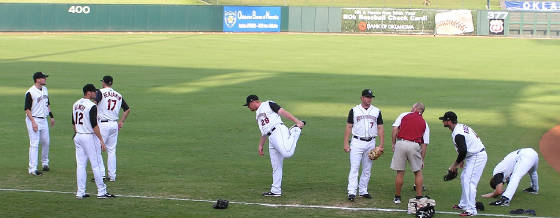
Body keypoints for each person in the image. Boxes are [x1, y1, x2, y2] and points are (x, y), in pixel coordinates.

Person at [244, 94, 305, 197]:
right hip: (271, 138)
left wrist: (297, 121)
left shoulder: (268, 104)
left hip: (278, 131)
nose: (249, 107)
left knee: (287, 153)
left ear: (253, 102)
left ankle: (295, 130)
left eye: (249, 105)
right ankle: (275, 190)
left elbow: (283, 112)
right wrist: (260, 145)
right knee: (276, 166)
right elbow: (264, 131)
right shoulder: (257, 114)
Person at [440, 111, 487, 217]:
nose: (442, 121)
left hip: (477, 156)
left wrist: (454, 165)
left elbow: (463, 150)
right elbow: (464, 147)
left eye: (444, 120)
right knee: (464, 178)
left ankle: (471, 210)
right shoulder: (459, 127)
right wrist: (461, 160)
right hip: (473, 155)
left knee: (469, 182)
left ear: (449, 121)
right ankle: (464, 204)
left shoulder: (458, 133)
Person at [72, 84, 116, 199]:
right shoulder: (91, 106)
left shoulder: (75, 104)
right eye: (93, 92)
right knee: (96, 165)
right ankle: (101, 192)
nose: (95, 94)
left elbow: (73, 123)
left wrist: (78, 133)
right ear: (88, 92)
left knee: (80, 165)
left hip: (78, 136)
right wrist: (101, 140)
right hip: (89, 137)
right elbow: (94, 125)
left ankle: (80, 192)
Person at [343, 89, 384, 202]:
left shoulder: (376, 111)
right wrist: (346, 143)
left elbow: (380, 127)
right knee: (354, 168)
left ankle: (363, 190)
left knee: (367, 169)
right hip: (356, 142)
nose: (369, 99)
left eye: (370, 97)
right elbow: (349, 126)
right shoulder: (354, 110)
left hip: (371, 142)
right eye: (367, 97)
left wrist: (381, 144)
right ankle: (351, 192)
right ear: (362, 98)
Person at [390, 102, 429, 204]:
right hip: (414, 145)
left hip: (401, 143)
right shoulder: (425, 123)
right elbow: (424, 144)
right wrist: (422, 160)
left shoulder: (404, 115)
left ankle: (397, 197)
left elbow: (395, 129)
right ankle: (419, 197)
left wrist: (393, 143)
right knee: (418, 172)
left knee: (400, 172)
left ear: (415, 108)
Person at [94, 76, 131, 182]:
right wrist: (122, 122)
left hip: (103, 124)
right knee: (111, 151)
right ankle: (112, 176)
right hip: (114, 124)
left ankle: (101, 175)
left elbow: (95, 104)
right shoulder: (118, 95)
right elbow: (127, 109)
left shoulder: (100, 92)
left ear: (103, 83)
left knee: (97, 150)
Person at [24, 72, 55, 176]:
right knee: (34, 143)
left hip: (43, 120)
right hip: (33, 119)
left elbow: (47, 104)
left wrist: (51, 116)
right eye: (43, 78)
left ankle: (45, 163)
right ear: (37, 79)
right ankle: (32, 169)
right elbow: (27, 110)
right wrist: (33, 122)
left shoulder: (45, 90)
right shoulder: (30, 92)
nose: (45, 79)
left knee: (46, 142)